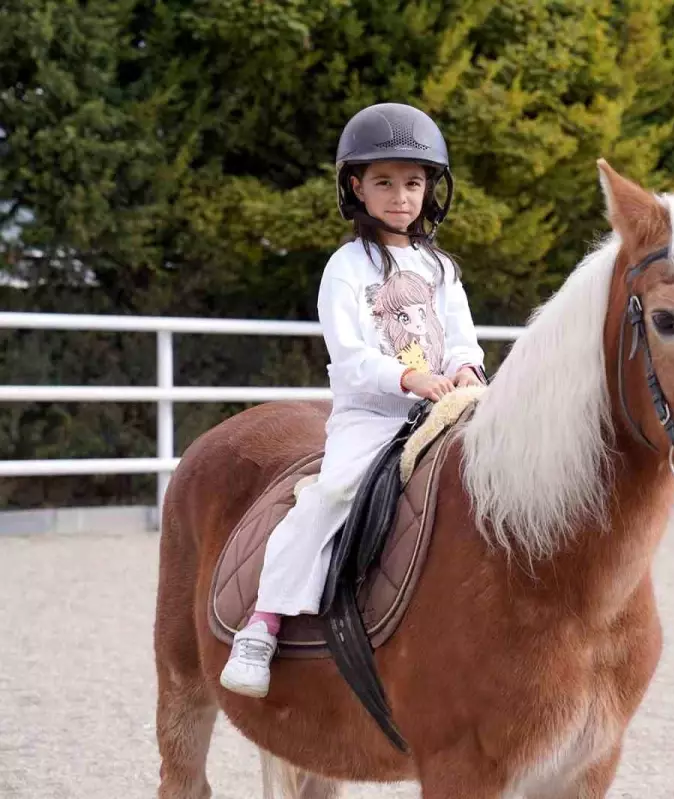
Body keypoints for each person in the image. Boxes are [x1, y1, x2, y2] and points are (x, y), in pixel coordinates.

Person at [220, 103, 487, 699]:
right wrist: (411, 379)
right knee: (333, 493)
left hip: (443, 407)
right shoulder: (345, 268)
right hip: (373, 415)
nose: (400, 197)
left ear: (430, 191)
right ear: (356, 187)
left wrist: (466, 368)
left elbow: (463, 335)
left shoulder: (441, 268)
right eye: (384, 182)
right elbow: (350, 356)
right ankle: (263, 623)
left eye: (413, 183)